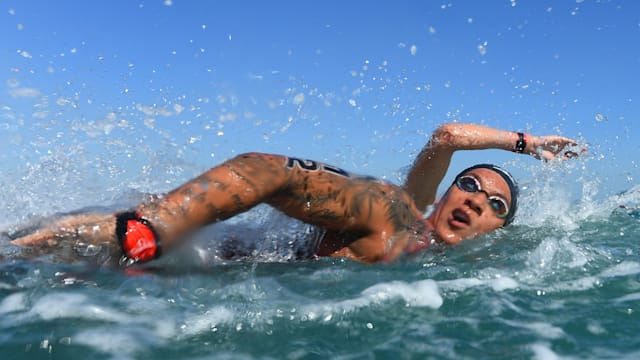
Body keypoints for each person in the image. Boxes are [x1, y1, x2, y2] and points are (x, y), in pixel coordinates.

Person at [10, 123, 581, 264]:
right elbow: (263, 169)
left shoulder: (440, 257)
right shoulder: (395, 213)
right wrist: (150, 228)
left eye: (495, 205)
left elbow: (447, 139)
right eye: (470, 184)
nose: (478, 200)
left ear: (497, 232)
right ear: (442, 195)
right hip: (164, 252)